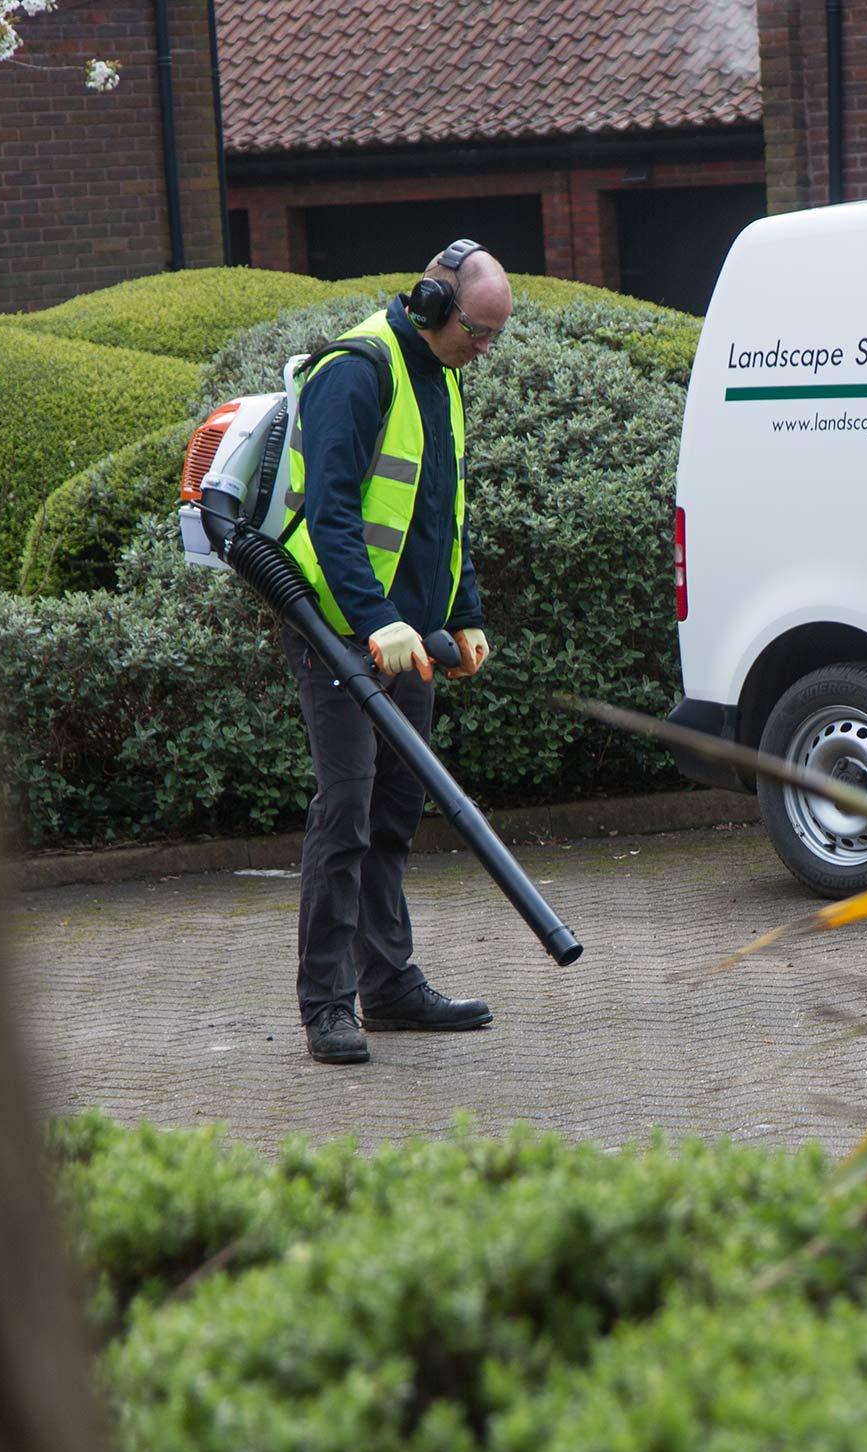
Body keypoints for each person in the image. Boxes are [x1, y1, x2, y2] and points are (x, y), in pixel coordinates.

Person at [279, 238, 512, 1063]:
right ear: (432, 308)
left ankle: (388, 985)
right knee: (344, 809)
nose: (481, 352)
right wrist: (374, 617)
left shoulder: (443, 380)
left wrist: (468, 610)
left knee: (392, 811)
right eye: (476, 334)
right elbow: (333, 515)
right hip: (339, 632)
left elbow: (443, 514)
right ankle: (327, 1004)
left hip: (407, 640)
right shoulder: (358, 370)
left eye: (493, 338)